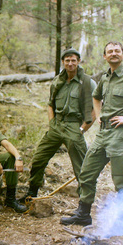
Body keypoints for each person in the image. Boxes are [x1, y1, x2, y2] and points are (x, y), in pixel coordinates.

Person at [61, 41, 123, 226]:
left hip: (120, 135)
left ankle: (122, 222)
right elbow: (95, 97)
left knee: (121, 180)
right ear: (104, 56)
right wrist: (98, 115)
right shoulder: (105, 78)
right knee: (87, 173)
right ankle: (83, 214)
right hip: (103, 134)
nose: (113, 54)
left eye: (117, 51)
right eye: (109, 51)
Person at [24, 48, 97, 204]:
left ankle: (85, 202)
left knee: (82, 167)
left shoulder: (87, 82)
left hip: (74, 125)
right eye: (67, 60)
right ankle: (32, 193)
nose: (70, 63)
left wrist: (83, 128)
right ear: (63, 62)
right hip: (57, 125)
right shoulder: (58, 80)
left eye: (73, 60)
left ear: (78, 62)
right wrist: (52, 123)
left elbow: (96, 109)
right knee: (38, 158)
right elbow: (50, 104)